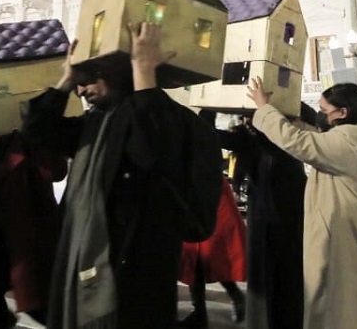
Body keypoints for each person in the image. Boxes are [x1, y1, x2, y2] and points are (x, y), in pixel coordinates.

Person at [21, 22, 219, 328]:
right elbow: (37, 130)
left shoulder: (173, 120)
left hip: (133, 275)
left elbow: (150, 151)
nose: (80, 89)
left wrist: (143, 71)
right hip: (82, 268)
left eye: (88, 78)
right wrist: (67, 76)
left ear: (115, 70)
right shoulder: (94, 124)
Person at [247, 77, 357, 329]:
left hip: (352, 239)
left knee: (347, 306)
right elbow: (321, 141)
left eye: (324, 111)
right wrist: (301, 125)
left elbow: (299, 144)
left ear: (343, 112)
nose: (321, 116)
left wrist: (264, 108)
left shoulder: (347, 142)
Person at [0, 125, 67, 329]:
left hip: (24, 235)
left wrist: (41, 138)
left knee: (36, 303)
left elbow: (56, 171)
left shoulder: (35, 144)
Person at [216, 106, 306, 329]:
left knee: (288, 284)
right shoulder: (248, 139)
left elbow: (303, 114)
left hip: (288, 221)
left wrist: (267, 107)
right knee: (269, 284)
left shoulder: (287, 135)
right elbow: (210, 134)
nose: (248, 120)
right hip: (265, 219)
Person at [177, 174, 247, 327]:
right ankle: (200, 313)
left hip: (207, 192)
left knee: (208, 254)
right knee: (195, 257)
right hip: (194, 189)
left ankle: (233, 296)